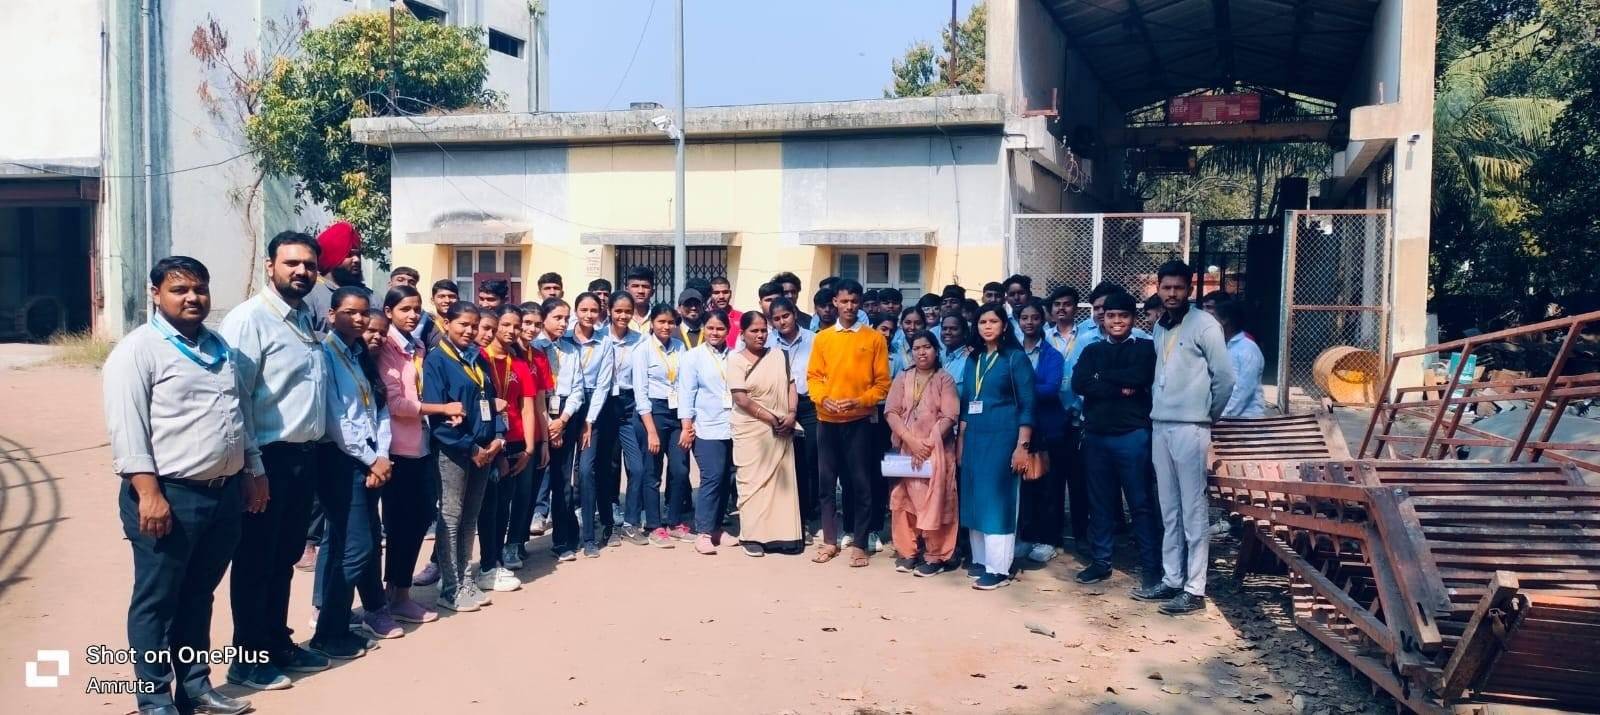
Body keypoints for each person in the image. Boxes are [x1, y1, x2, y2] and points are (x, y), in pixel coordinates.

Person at [104, 256, 261, 715]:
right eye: (180, 290)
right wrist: (149, 494)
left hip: (223, 493)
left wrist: (253, 470)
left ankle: (195, 689)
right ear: (157, 294)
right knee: (157, 600)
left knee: (198, 595)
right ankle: (154, 699)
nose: (193, 297)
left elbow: (240, 415)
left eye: (200, 289)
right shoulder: (139, 351)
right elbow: (128, 430)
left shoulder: (219, 347)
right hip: (169, 496)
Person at [221, 231, 332, 691]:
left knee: (284, 557)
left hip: (303, 459)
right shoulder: (250, 320)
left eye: (308, 264)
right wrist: (252, 468)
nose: (301, 272)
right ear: (270, 266)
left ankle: (276, 642)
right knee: (255, 561)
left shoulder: (305, 317)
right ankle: (247, 658)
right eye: (291, 263)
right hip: (267, 459)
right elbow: (236, 399)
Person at [311, 286, 395, 657]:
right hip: (340, 462)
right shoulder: (325, 355)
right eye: (350, 312)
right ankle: (330, 630)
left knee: (354, 543)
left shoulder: (358, 353)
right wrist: (368, 459)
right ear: (332, 315)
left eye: (364, 313)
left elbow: (377, 406)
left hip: (370, 459)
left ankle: (336, 626)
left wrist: (382, 456)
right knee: (357, 548)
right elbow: (335, 417)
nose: (359, 319)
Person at [1148, 260, 1236, 615]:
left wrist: (1206, 416)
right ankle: (1171, 579)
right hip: (1160, 425)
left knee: (1193, 509)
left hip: (1191, 427)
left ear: (1190, 290)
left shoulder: (1205, 325)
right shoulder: (1160, 326)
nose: (1172, 294)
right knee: (1168, 508)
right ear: (1159, 288)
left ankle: (1195, 589)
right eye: (1166, 288)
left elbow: (1225, 378)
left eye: (1178, 288)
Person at [1070, 291, 1164, 597]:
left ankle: (1151, 568)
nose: (1117, 321)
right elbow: (1079, 383)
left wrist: (1105, 381)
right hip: (1096, 436)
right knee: (1100, 504)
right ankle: (1101, 561)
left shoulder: (1146, 349)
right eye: (1111, 316)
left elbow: (1140, 377)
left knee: (1140, 503)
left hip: (1132, 436)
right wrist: (1118, 384)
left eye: (1123, 316)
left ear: (1132, 319)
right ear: (1102, 318)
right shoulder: (1091, 351)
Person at [376, 285, 454, 626]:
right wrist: (439, 408)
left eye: (417, 309)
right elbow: (395, 403)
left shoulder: (418, 346)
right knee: (401, 523)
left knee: (420, 518)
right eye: (405, 308)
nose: (412, 315)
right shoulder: (387, 348)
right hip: (397, 449)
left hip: (421, 445)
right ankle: (397, 595)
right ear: (389, 310)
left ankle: (397, 591)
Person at [421, 302, 506, 612]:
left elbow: (493, 402)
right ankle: (450, 586)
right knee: (452, 518)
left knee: (470, 518)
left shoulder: (477, 359)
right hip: (456, 453)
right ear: (447, 323)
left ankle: (465, 578)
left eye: (474, 325)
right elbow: (438, 417)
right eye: (463, 325)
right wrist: (472, 448)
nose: (470, 331)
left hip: (484, 451)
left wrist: (496, 440)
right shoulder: (438, 361)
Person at [806, 279, 891, 568]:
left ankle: (859, 543)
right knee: (826, 484)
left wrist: (859, 401)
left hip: (859, 422)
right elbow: (814, 377)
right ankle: (829, 541)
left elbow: (882, 385)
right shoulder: (823, 338)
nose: (849, 306)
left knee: (860, 484)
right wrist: (823, 399)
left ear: (860, 302)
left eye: (854, 301)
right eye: (844, 301)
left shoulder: (873, 339)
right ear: (835, 303)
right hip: (826, 420)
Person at [958, 304, 1035, 591]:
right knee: (975, 497)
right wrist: (960, 442)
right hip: (974, 438)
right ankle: (981, 559)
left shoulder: (1015, 358)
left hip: (1004, 438)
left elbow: (1028, 405)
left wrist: (1022, 446)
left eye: (993, 321)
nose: (987, 326)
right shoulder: (973, 359)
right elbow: (967, 403)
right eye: (982, 322)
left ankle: (999, 568)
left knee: (997, 501)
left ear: (1004, 326)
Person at [883, 330, 961, 577]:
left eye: (926, 347)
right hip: (907, 450)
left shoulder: (944, 379)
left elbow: (950, 415)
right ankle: (908, 552)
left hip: (936, 451)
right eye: (916, 348)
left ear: (936, 350)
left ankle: (936, 555)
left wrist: (927, 444)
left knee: (937, 502)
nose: (921, 352)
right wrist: (910, 441)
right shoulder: (903, 377)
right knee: (903, 501)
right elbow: (891, 412)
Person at [476, 305, 541, 594]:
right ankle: (480, 564)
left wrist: (528, 448)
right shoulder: (479, 359)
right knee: (483, 506)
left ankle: (497, 558)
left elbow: (527, 408)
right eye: (505, 324)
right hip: (486, 442)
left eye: (516, 326)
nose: (510, 331)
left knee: (505, 503)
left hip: (515, 441)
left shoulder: (521, 365)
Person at [728, 311, 804, 556]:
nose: (760, 335)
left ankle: (784, 536)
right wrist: (771, 418)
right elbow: (740, 398)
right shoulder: (735, 359)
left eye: (763, 330)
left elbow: (791, 386)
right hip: (752, 430)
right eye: (754, 331)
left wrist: (791, 415)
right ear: (743, 334)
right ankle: (752, 536)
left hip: (783, 427)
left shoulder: (779, 356)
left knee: (781, 484)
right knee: (753, 484)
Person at [552, 292, 616, 558]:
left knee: (587, 471)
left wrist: (589, 421)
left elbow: (603, 383)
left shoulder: (605, 342)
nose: (589, 315)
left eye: (593, 310)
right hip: (565, 404)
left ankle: (589, 536)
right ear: (576, 311)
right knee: (562, 474)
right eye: (583, 310)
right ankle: (565, 536)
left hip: (594, 407)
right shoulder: (563, 339)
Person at [679, 310, 739, 554]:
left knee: (726, 478)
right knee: (712, 477)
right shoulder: (693, 357)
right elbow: (686, 392)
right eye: (711, 328)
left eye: (720, 329)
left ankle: (716, 529)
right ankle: (702, 531)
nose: (715, 333)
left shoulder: (735, 356)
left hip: (732, 426)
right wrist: (686, 425)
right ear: (704, 328)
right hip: (706, 426)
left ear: (728, 330)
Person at [631, 304, 691, 545]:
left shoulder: (680, 347)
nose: (666, 327)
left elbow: (686, 386)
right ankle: (655, 525)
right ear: (652, 324)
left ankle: (675, 521)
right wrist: (651, 432)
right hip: (652, 413)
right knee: (652, 471)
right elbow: (640, 392)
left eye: (670, 322)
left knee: (680, 469)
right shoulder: (642, 350)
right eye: (661, 322)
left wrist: (686, 425)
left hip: (678, 412)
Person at [1014, 299, 1068, 565]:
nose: (1030, 323)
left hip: (1048, 428)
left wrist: (1020, 391)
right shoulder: (1012, 352)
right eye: (1025, 318)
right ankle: (1026, 535)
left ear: (1043, 320)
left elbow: (1050, 389)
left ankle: (1049, 539)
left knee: (1049, 486)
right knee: (1024, 486)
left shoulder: (1052, 355)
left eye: (1035, 317)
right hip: (1019, 428)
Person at [766, 298, 819, 533]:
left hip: (809, 406)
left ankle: (805, 517)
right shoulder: (768, 341)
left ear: (795, 314)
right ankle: (783, 516)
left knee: (807, 461)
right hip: (777, 406)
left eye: (785, 316)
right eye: (776, 319)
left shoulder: (814, 339)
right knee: (782, 463)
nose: (781, 322)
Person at [600, 293, 646, 545]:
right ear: (609, 310)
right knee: (608, 466)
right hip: (604, 404)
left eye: (628, 311)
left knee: (637, 467)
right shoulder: (600, 337)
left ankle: (631, 522)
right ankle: (609, 523)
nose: (623, 316)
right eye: (618, 310)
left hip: (629, 406)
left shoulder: (640, 340)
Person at [528, 298, 573, 545]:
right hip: (535, 414)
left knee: (562, 480)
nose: (564, 323)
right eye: (557, 318)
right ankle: (518, 541)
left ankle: (562, 539)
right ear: (543, 319)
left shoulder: (569, 349)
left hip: (563, 415)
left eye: (567, 318)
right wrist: (547, 424)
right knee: (532, 481)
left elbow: (576, 388)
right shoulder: (532, 349)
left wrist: (561, 421)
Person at [304, 221, 368, 331]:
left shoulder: (372, 297)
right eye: (349, 255)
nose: (356, 260)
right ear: (332, 258)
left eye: (358, 254)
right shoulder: (309, 295)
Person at [1217, 301, 1266, 418]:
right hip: (1228, 416)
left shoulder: (1248, 348)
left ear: (1224, 320)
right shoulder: (1225, 345)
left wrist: (1223, 416)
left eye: (1214, 317)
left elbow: (1243, 390)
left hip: (1247, 418)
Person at [414, 279, 458, 350]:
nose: (447, 300)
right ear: (432, 300)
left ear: (458, 299)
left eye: (451, 296)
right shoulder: (424, 327)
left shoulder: (463, 326)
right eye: (441, 296)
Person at [890, 307, 926, 379]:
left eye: (918, 323)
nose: (912, 327)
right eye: (908, 323)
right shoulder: (893, 348)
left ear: (924, 325)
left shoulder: (930, 348)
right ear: (901, 324)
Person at [939, 314, 971, 394]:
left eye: (954, 329)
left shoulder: (970, 359)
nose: (947, 332)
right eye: (944, 328)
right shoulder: (937, 356)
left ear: (965, 333)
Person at [708, 276, 742, 346]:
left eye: (725, 292)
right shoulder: (705, 318)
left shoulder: (742, 317)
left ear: (730, 293)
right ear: (710, 295)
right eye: (716, 293)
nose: (721, 296)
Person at [624, 267, 656, 332]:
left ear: (652, 292)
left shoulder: (658, 317)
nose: (640, 291)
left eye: (645, 287)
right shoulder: (619, 318)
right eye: (635, 286)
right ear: (627, 290)